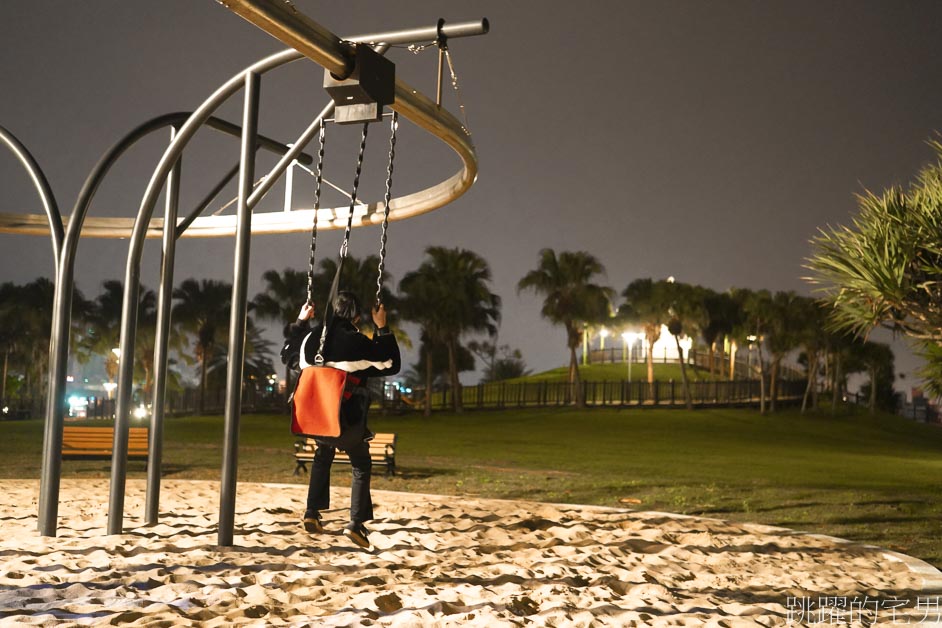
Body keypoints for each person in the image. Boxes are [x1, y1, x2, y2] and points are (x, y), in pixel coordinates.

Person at [281, 290, 400, 549]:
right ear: (357, 316)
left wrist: (301, 322)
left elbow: (286, 353)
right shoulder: (355, 342)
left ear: (333, 311)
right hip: (346, 422)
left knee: (323, 454)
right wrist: (382, 327)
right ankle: (356, 524)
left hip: (316, 418)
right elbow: (390, 363)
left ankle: (312, 512)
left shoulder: (309, 338)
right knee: (361, 463)